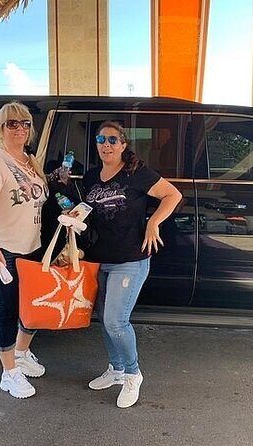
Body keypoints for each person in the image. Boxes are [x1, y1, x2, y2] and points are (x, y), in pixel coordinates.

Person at [82, 121, 182, 408]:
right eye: (101, 139)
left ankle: (132, 373)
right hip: (100, 258)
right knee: (105, 319)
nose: (106, 145)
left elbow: (172, 195)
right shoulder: (91, 177)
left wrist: (153, 222)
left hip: (130, 259)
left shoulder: (136, 173)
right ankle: (115, 369)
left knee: (116, 321)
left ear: (123, 144)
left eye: (113, 140)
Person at [0, 101, 49, 399]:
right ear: (1, 128)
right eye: (12, 123)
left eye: (25, 123)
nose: (20, 128)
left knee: (31, 308)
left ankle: (21, 353)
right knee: (6, 312)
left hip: (30, 250)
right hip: (2, 251)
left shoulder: (29, 161)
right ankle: (9, 374)